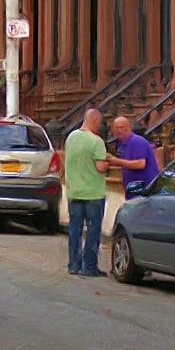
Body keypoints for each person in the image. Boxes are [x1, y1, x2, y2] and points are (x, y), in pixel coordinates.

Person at [63, 108, 109, 278]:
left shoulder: (71, 138)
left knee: (74, 229)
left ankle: (73, 264)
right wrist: (107, 162)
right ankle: (89, 266)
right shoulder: (97, 142)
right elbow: (99, 166)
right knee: (92, 230)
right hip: (93, 193)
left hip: (74, 191)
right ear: (96, 121)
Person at [107, 115, 160, 191]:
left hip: (145, 190)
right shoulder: (122, 144)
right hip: (133, 190)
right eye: (116, 128)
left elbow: (140, 164)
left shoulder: (137, 141)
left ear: (128, 128)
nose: (118, 130)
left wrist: (118, 161)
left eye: (121, 127)